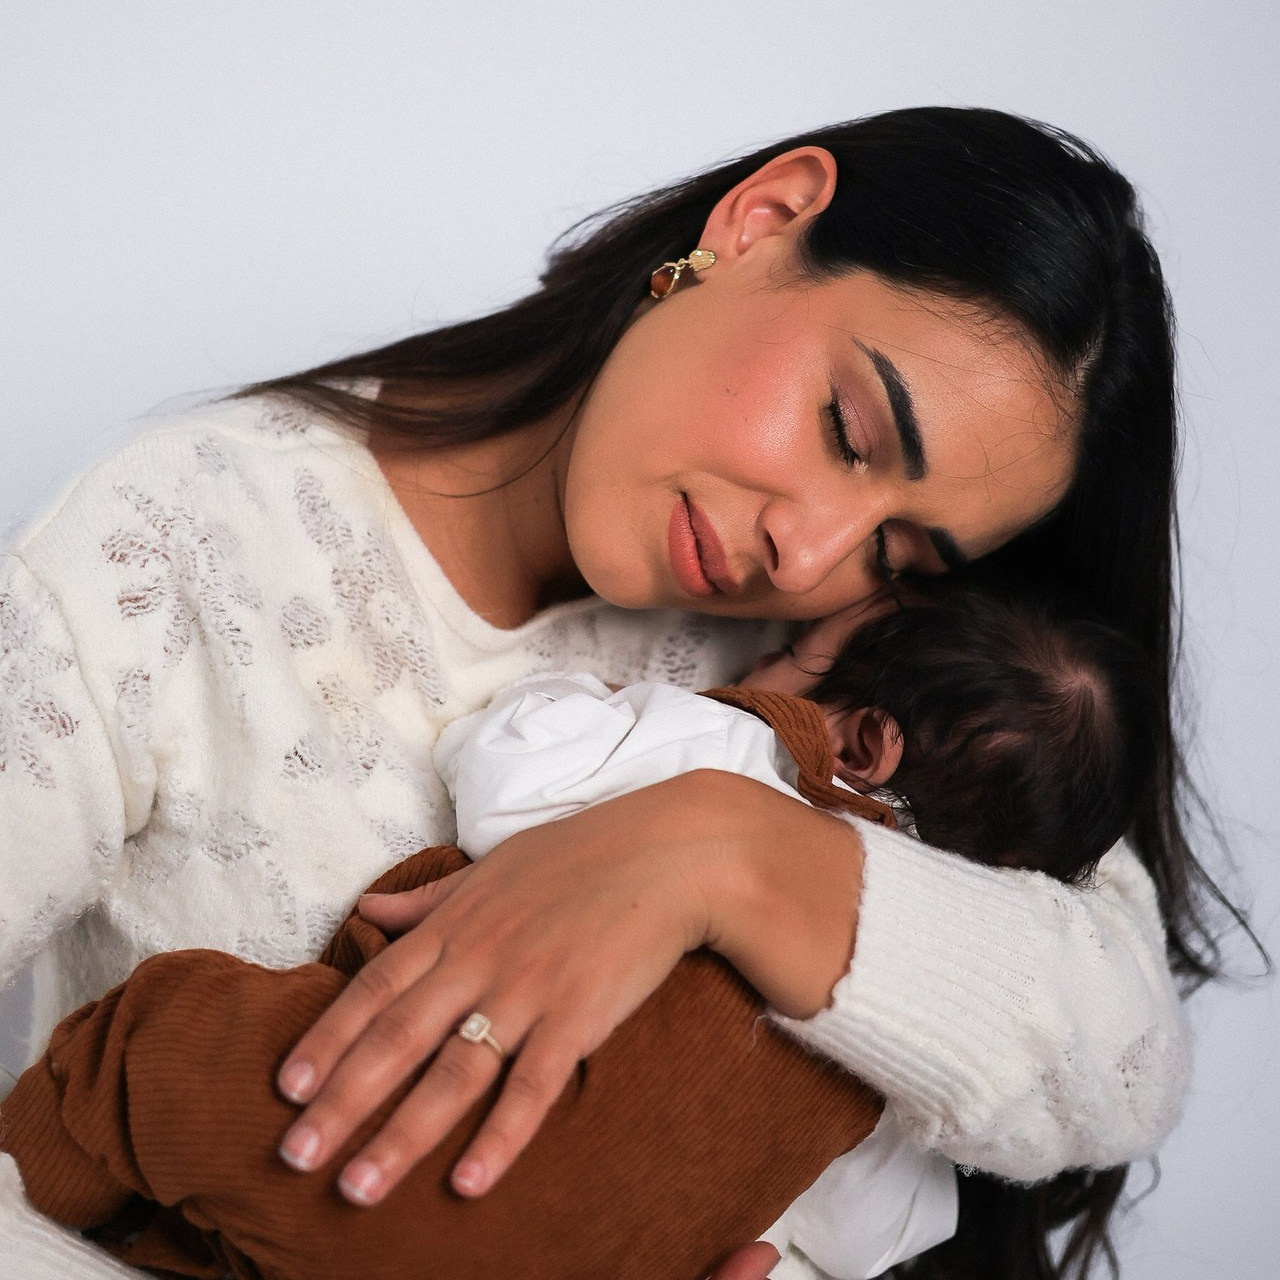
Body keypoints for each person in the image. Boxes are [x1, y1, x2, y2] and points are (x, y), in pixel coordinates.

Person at [0, 106, 1214, 1280]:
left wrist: (721, 850)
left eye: (898, 552)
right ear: (759, 220)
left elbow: (1121, 1047)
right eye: (847, 430)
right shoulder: (175, 544)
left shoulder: (852, 667)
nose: (807, 554)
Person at [0, 579, 1160, 1280]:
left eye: (795, 655)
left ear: (860, 739)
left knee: (146, 1046)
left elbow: (503, 779)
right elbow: (868, 1236)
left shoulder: (735, 758)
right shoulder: (894, 1053)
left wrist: (621, 708)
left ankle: (27, 1177)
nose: (760, 655)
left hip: (381, 1148)